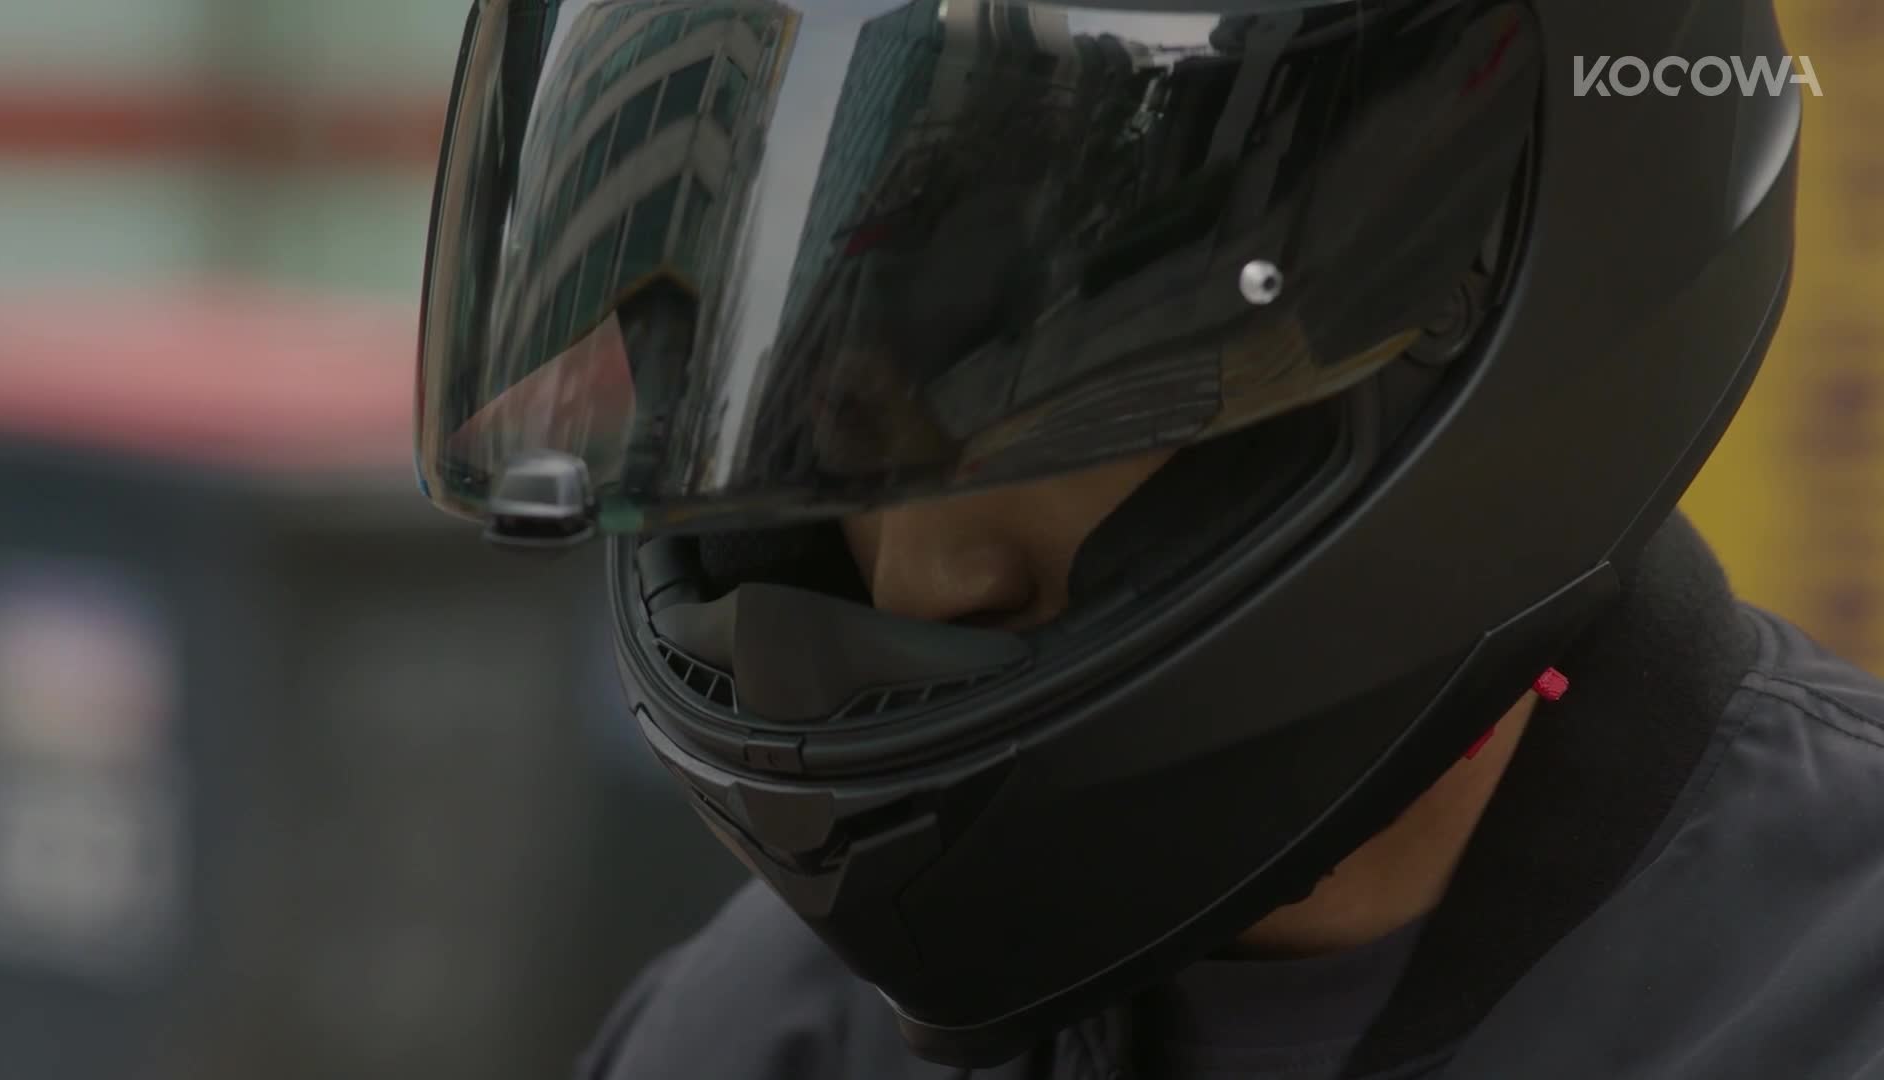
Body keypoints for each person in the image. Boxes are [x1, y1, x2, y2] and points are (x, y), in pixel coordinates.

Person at [410, 0, 1884, 1076]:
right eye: (835, 433)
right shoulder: (745, 1041)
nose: (915, 579)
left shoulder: (1828, 996)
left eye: (1041, 416)